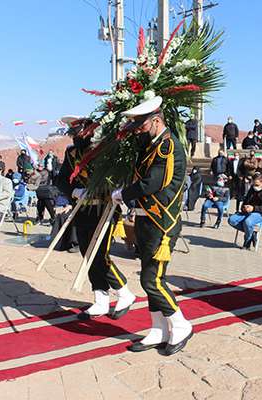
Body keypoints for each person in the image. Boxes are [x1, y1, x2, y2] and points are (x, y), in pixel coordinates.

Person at [113, 96, 192, 355]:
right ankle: (158, 327)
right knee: (150, 276)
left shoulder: (168, 147)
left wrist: (124, 194)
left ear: (156, 121)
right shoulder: (151, 146)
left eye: (142, 127)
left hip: (162, 223)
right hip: (147, 220)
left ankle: (180, 324)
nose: (139, 132)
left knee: (152, 280)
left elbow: (152, 183)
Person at [56, 116, 136, 320]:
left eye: (78, 133)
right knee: (87, 254)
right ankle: (100, 298)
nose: (75, 138)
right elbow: (61, 179)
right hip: (83, 209)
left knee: (100, 254)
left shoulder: (107, 150)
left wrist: (119, 191)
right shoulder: (72, 153)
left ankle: (124, 292)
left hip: (105, 208)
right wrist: (74, 192)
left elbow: (124, 176)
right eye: (73, 134)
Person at [228, 172, 262, 249]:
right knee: (232, 220)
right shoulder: (252, 189)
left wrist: (254, 208)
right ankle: (252, 233)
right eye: (253, 184)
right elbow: (245, 201)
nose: (254, 186)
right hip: (249, 212)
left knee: (248, 221)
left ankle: (247, 241)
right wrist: (244, 207)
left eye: (257, 185)